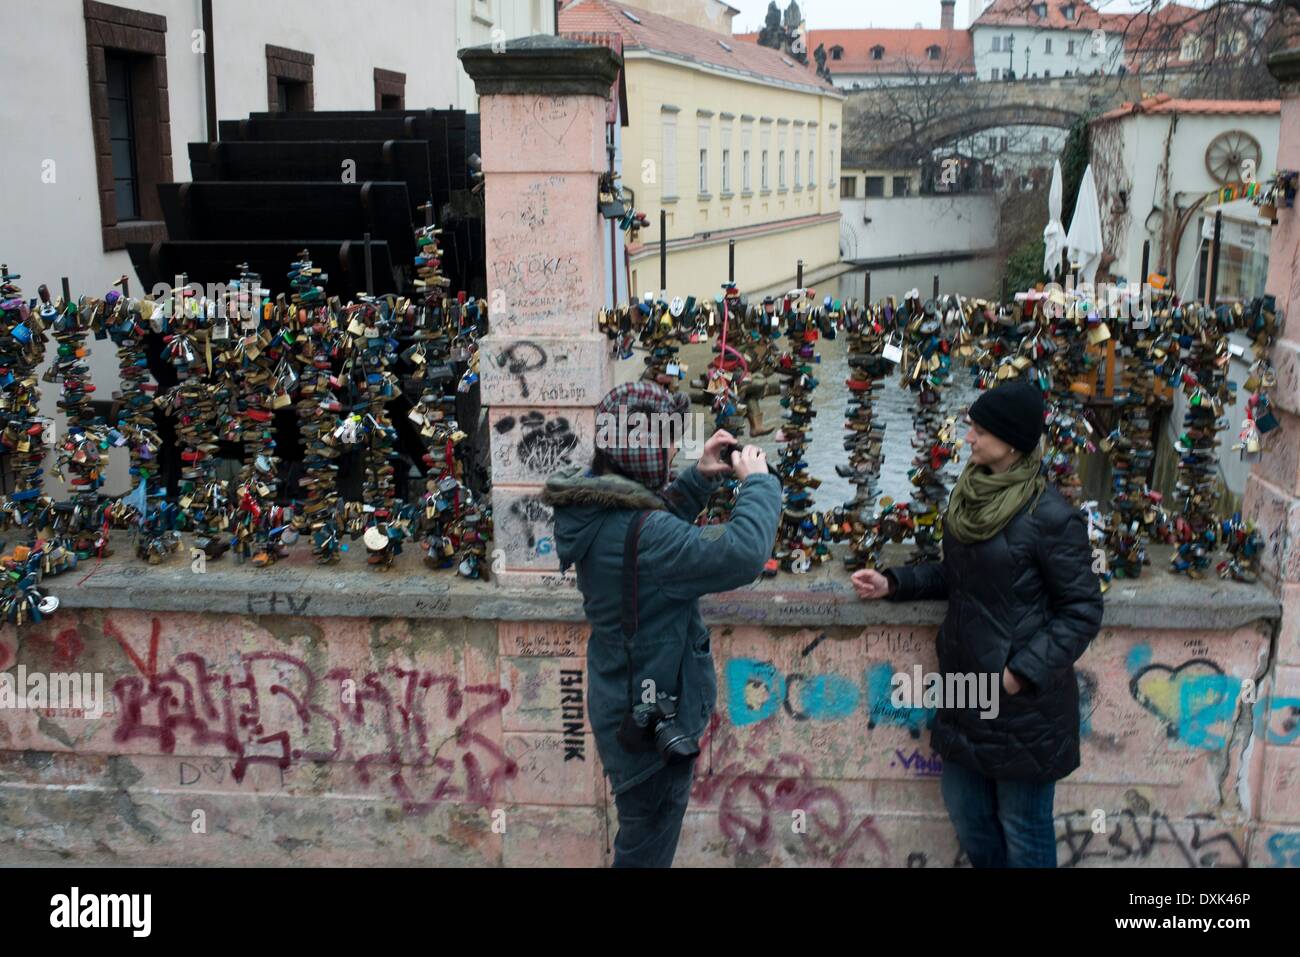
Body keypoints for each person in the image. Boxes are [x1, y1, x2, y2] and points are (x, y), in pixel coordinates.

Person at [852, 380, 1103, 868]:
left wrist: (1019, 672)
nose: (968, 439)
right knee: (968, 816)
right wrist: (894, 583)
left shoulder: (1051, 516)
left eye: (979, 431)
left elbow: (1083, 609)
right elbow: (958, 576)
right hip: (965, 690)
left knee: (1024, 831)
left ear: (1010, 442)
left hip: (1021, 704)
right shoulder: (970, 496)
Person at [542, 382, 781, 867]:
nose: (673, 450)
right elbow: (742, 555)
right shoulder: (647, 535)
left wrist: (696, 480)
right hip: (651, 725)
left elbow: (642, 534)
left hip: (623, 704)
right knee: (644, 852)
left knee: (639, 840)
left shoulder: (593, 508)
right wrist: (759, 482)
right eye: (666, 440)